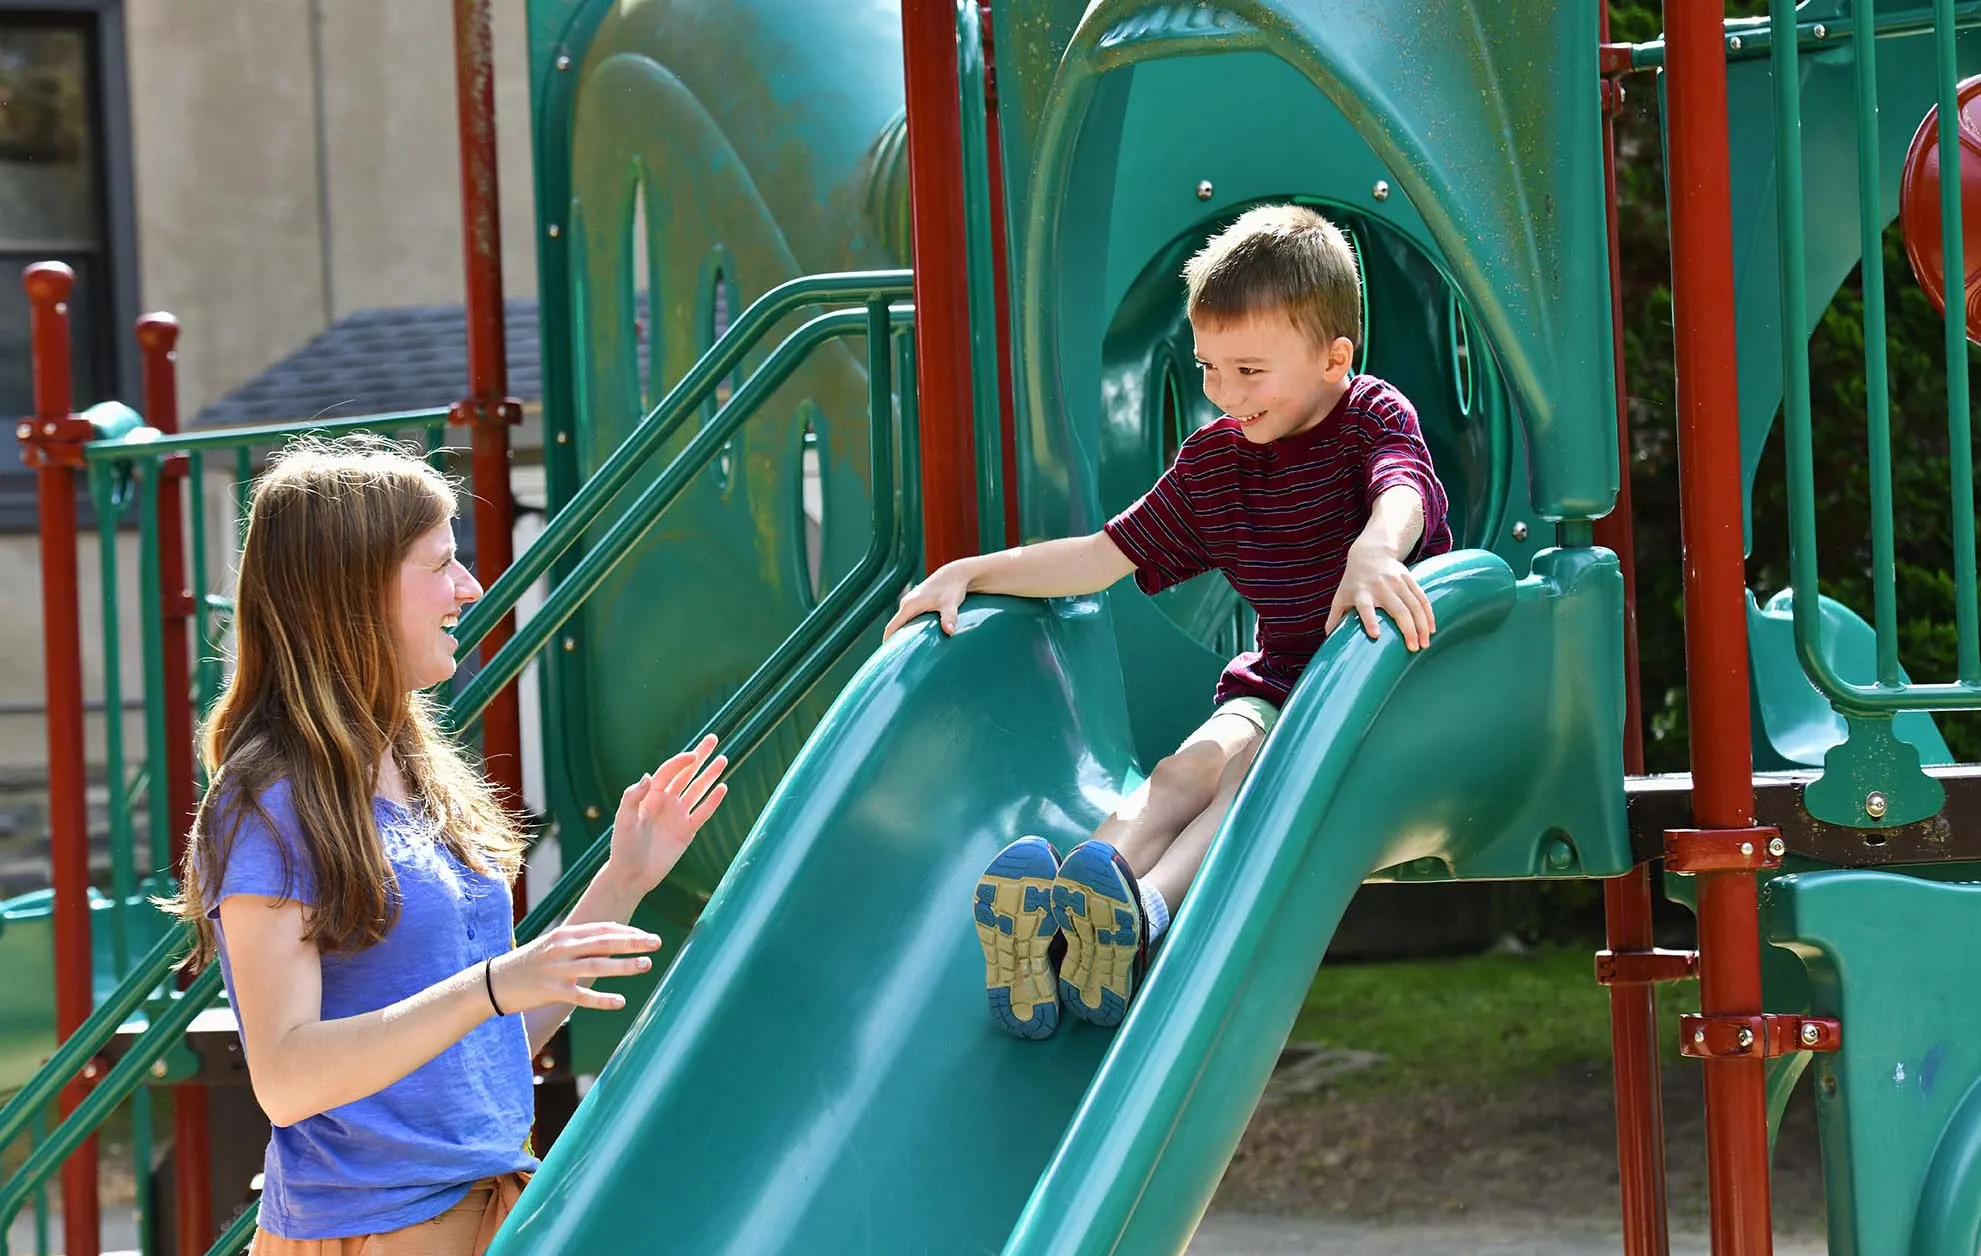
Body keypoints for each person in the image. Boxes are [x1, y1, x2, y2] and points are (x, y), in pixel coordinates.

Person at [883, 204, 1453, 1040]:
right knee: (1189, 768)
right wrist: (974, 571)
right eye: (1209, 367)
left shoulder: (1370, 417)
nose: (1223, 393)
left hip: (1381, 693)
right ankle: (1058, 926)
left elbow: (1403, 486)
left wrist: (1375, 551)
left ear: (1335, 359)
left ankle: (1141, 919)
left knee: (1250, 774)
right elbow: (1102, 555)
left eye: (1249, 370)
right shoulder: (1217, 462)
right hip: (1283, 675)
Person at [168, 435, 728, 1253]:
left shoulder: (414, 767)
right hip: (375, 1233)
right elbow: (287, 1080)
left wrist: (624, 878)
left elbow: (483, 1040)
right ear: (350, 593)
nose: (468, 589)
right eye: (440, 565)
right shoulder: (268, 802)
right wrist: (490, 984)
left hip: (490, 1208)